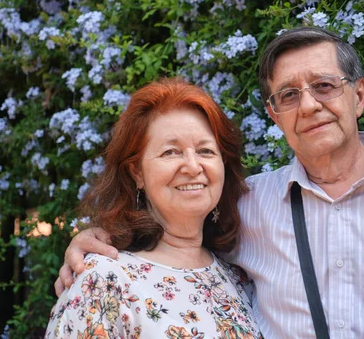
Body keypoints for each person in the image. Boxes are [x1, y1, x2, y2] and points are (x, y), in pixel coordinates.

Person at [57, 27, 364, 338]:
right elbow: (171, 234)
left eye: (324, 86)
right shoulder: (249, 204)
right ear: (274, 114)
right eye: (289, 95)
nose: (308, 106)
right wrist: (93, 240)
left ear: (359, 93)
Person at [46, 79, 262, 338]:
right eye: (171, 152)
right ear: (137, 172)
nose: (193, 167)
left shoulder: (238, 278)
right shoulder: (103, 280)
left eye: (205, 150)